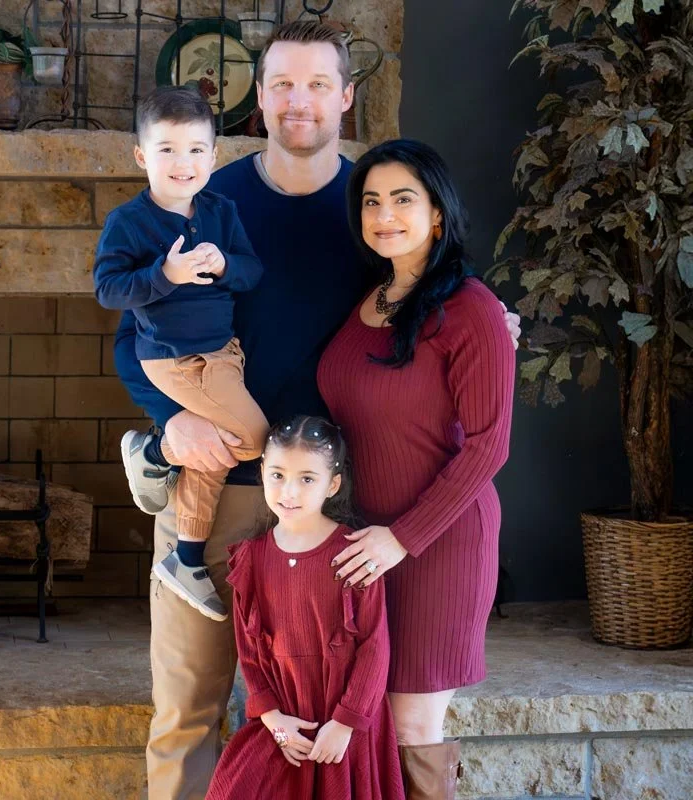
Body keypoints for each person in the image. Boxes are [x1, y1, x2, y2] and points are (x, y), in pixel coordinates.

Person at [112, 20, 521, 800]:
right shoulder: (205, 198)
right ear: (259, 99)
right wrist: (171, 423)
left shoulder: (369, 210)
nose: (300, 103)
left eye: (318, 85)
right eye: (283, 86)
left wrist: (490, 313)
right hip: (220, 490)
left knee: (337, 721)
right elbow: (135, 338)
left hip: (341, 509)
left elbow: (431, 294)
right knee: (188, 709)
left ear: (347, 97)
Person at [319, 139, 516, 799]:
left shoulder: (473, 311)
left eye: (404, 199)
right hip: (364, 546)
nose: (386, 215)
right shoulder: (366, 299)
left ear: (438, 213)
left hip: (436, 546)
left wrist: (401, 538)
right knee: (365, 715)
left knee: (412, 723)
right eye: (372, 201)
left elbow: (488, 447)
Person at [93, 86, 267, 622]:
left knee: (211, 455)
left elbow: (252, 273)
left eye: (195, 149)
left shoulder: (221, 211)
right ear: (142, 157)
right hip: (177, 360)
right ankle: (154, 454)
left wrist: (223, 265)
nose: (183, 162)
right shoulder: (130, 222)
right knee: (255, 439)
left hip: (222, 354)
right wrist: (164, 275)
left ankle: (187, 557)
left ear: (214, 156)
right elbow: (108, 289)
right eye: (167, 149)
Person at [205, 415, 405, 800]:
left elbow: (375, 648)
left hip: (344, 724)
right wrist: (273, 720)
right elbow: (249, 653)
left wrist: (345, 724)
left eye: (307, 479)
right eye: (277, 474)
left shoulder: (356, 554)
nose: (289, 491)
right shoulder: (253, 558)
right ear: (262, 471)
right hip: (285, 722)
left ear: (333, 484)